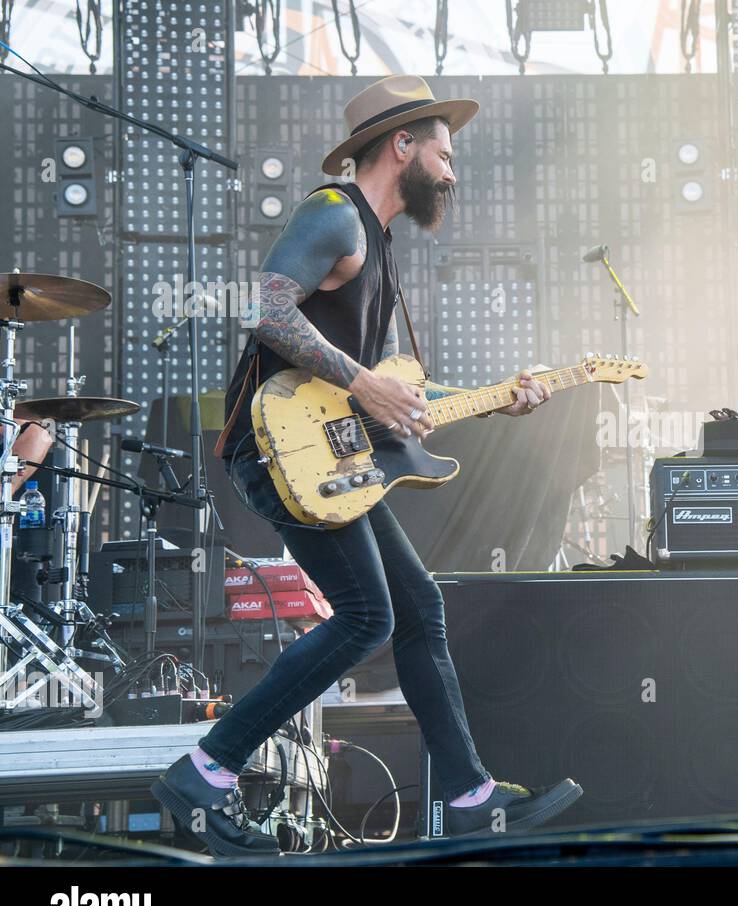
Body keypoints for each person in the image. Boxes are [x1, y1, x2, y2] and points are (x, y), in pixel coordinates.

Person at [151, 76, 581, 856]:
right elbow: (266, 310)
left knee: (418, 606)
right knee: (368, 615)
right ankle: (206, 769)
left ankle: (471, 793)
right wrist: (361, 381)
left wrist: (497, 399)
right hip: (274, 447)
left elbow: (393, 395)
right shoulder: (331, 213)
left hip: (330, 451)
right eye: (444, 155)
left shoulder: (378, 247)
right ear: (401, 146)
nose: (452, 173)